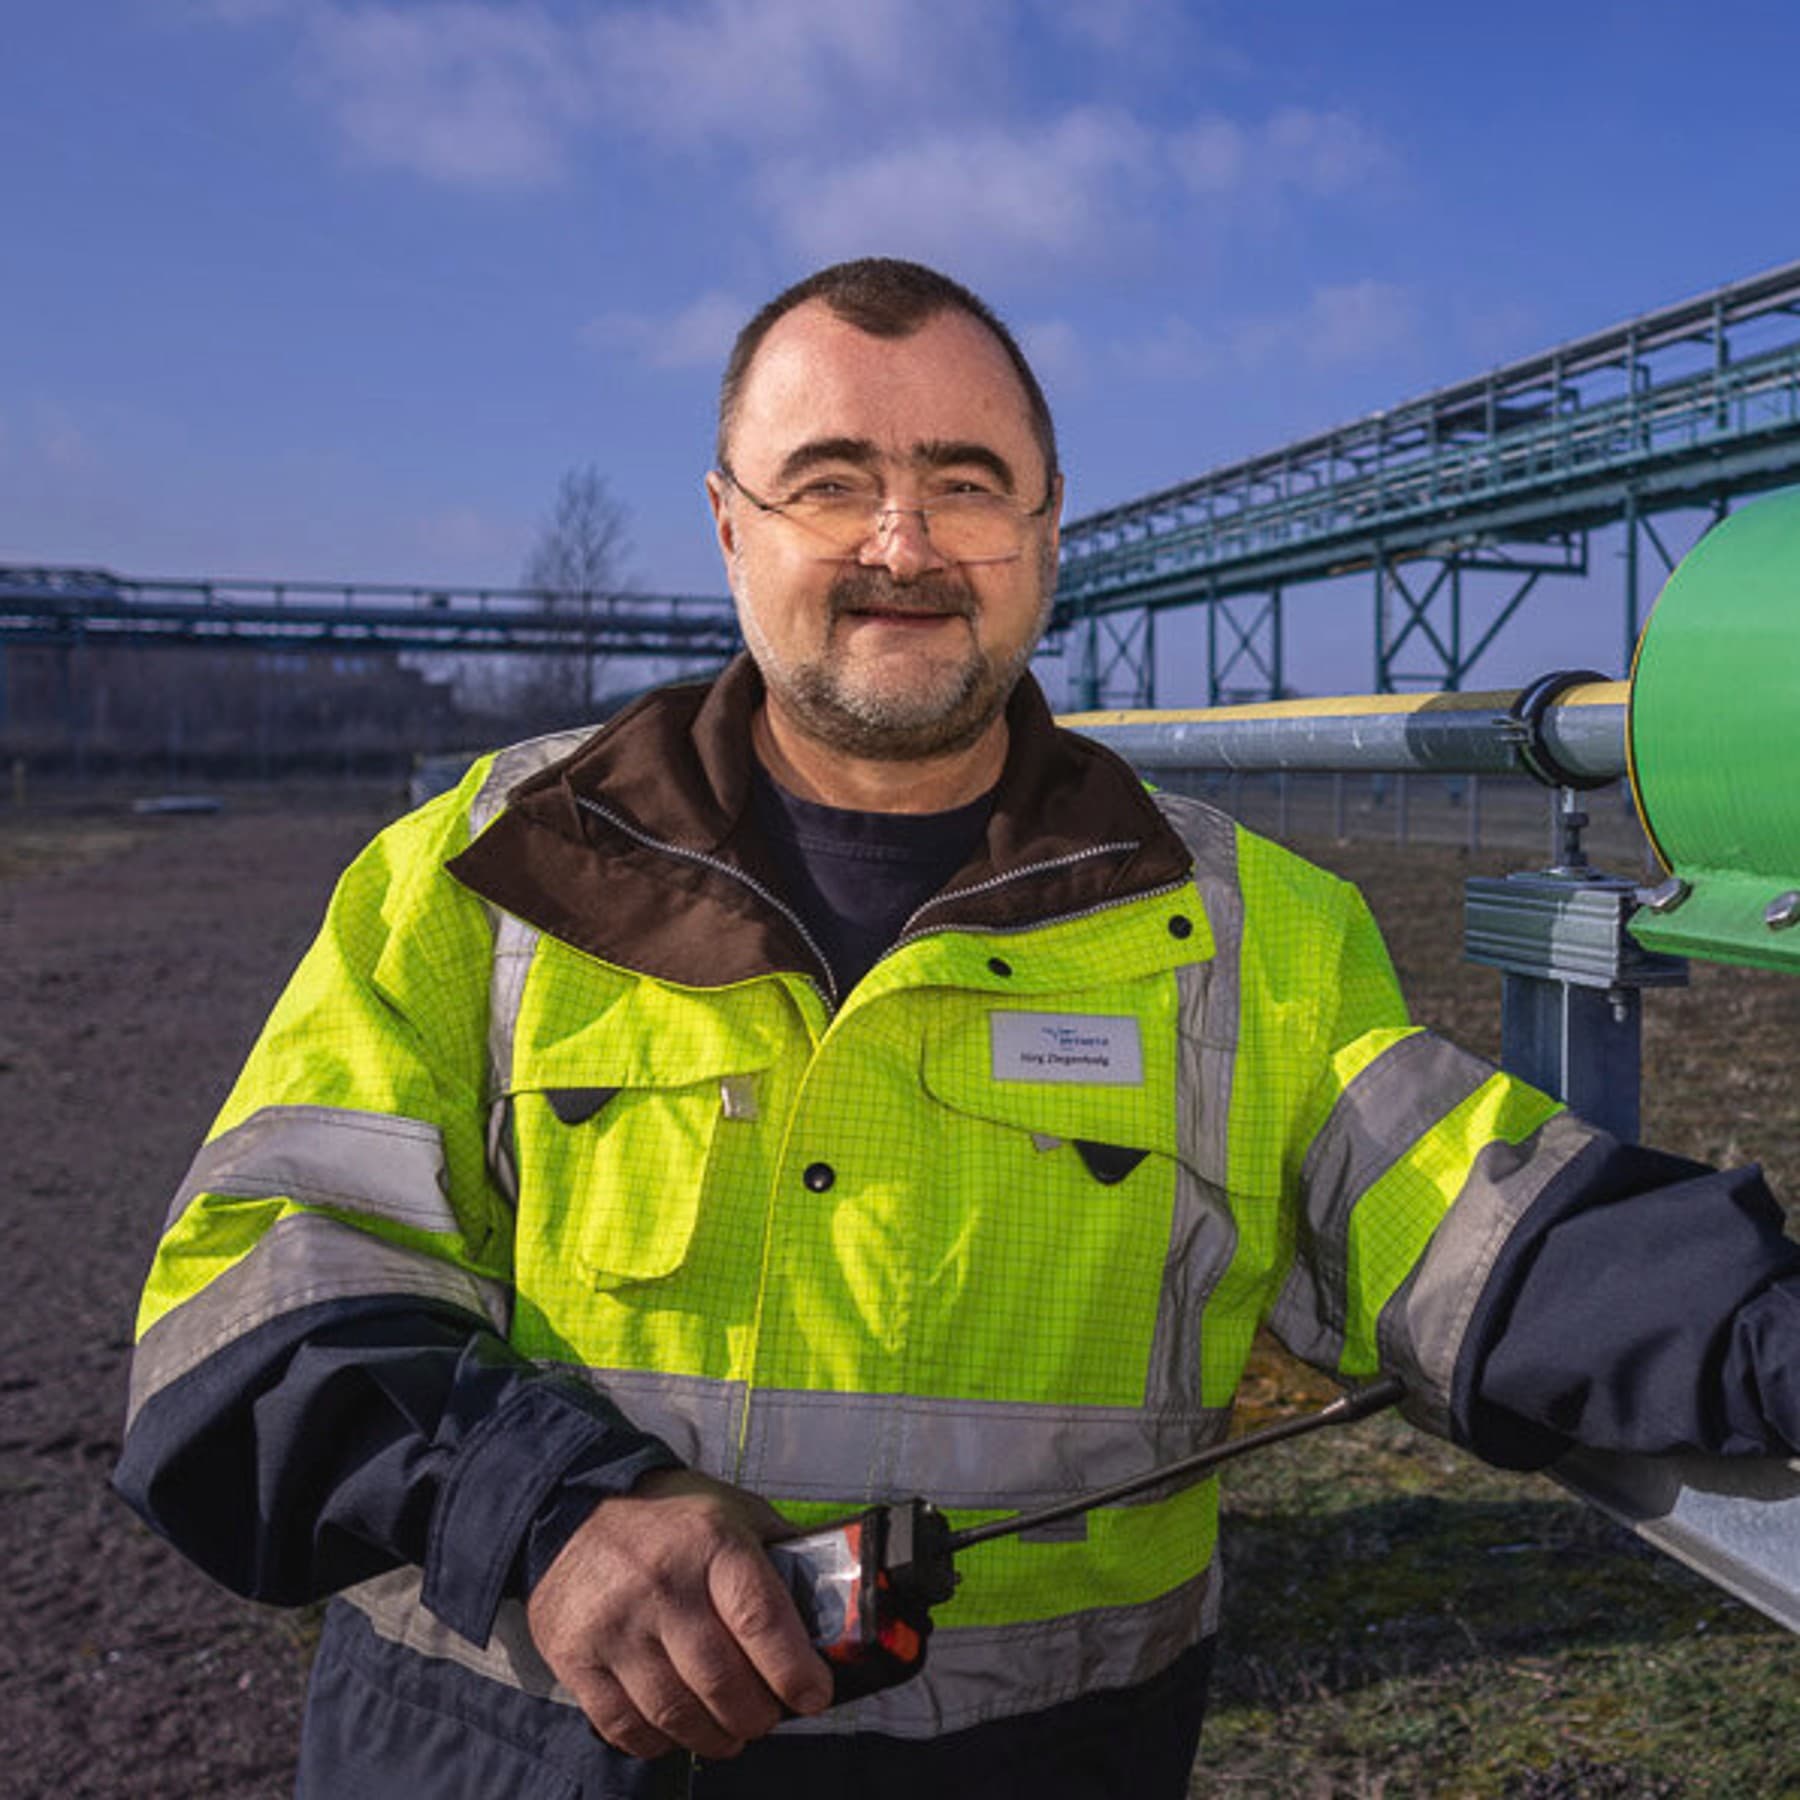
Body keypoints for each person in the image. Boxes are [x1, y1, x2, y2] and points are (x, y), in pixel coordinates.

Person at [115, 259, 1800, 1799]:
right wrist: (541, 1510)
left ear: (1048, 534)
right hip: (499, 1761)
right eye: (830, 481)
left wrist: (1772, 1335)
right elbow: (249, 1302)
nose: (903, 545)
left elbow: (1486, 1235)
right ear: (729, 526)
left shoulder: (1244, 930)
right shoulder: (488, 873)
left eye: (968, 485)